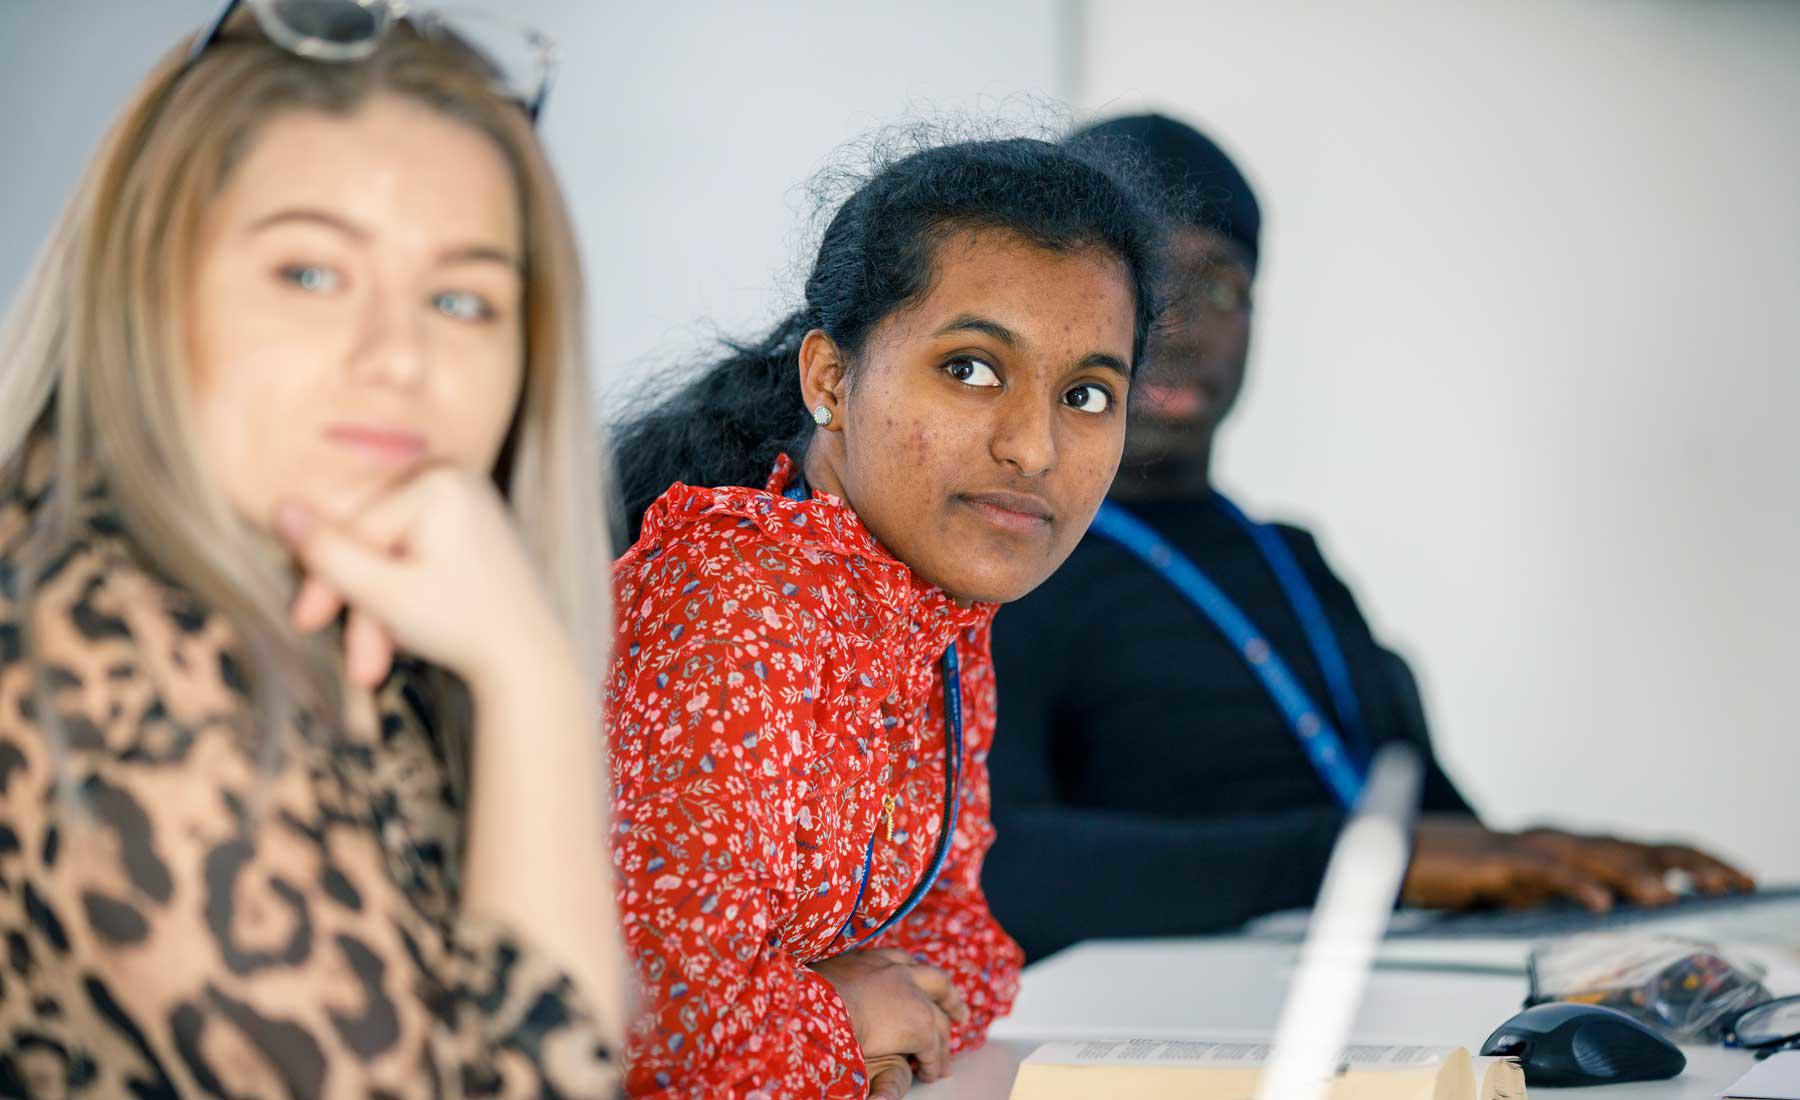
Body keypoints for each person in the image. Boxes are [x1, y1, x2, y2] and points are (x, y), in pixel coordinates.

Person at [0, 3, 626, 1096]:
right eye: (310, 275)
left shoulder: (367, 609)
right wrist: (536, 682)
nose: (397, 356)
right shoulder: (86, 641)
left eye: (460, 298)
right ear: (147, 295)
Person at [982, 113, 1756, 964]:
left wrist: (1574, 876)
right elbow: (1001, 869)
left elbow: (1436, 834)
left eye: (1222, 287)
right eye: (1148, 287)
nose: (1184, 327)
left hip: (1384, 1005)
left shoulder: (1294, 563)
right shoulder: (1011, 558)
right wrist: (1360, 861)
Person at [608, 134, 1163, 1099]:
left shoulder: (935, 612)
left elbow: (958, 948)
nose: (1033, 447)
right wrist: (848, 1018)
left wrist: (845, 1010)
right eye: (973, 369)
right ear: (829, 380)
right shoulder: (741, 597)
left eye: (1085, 394)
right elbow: (652, 1027)